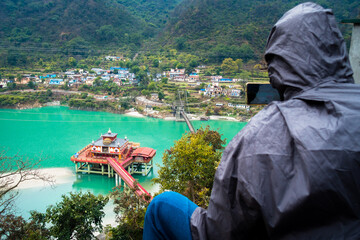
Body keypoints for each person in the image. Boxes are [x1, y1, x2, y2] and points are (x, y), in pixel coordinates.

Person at [144, 2, 360, 239]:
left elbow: (220, 231)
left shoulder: (261, 135)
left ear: (278, 65)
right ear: (338, 51)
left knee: (161, 206)